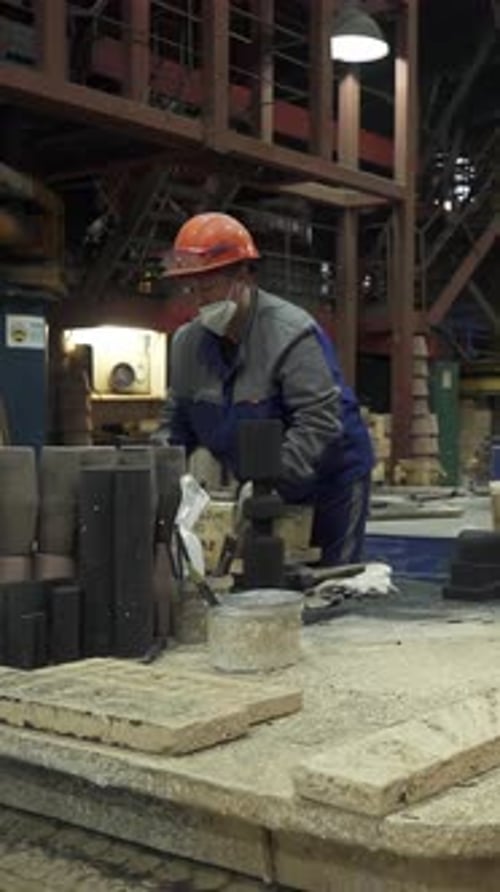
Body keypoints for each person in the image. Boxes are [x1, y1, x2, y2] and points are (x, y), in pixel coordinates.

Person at [154, 212, 374, 565]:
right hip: (259, 489)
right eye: (189, 287)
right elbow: (175, 426)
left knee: (332, 589)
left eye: (207, 286)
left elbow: (318, 422)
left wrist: (268, 484)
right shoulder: (186, 344)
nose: (197, 300)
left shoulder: (290, 334)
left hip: (331, 481)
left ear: (242, 277)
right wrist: (163, 481)